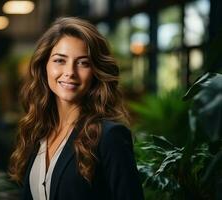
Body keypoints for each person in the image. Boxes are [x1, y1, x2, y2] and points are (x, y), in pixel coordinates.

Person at [9, 17, 144, 200]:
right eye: (59, 60)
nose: (70, 72)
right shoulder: (37, 132)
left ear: (96, 71)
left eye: (83, 63)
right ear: (44, 66)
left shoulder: (109, 136)